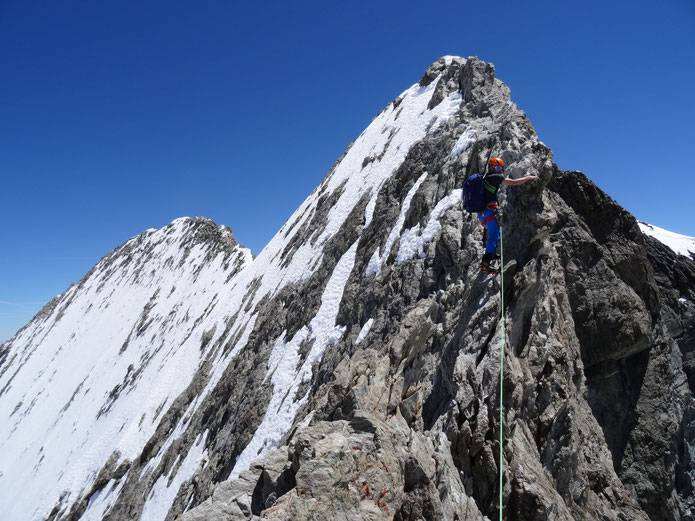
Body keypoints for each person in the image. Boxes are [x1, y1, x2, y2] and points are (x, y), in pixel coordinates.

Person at [478, 157, 539, 273]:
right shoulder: (495, 177)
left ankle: (491, 254)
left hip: (483, 213)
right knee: (493, 236)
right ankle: (485, 263)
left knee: (497, 234)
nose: (499, 170)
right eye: (497, 167)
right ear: (490, 167)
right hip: (489, 212)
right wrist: (528, 178)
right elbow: (514, 183)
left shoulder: (486, 178)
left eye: (501, 168)